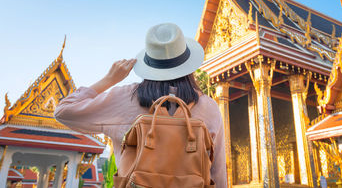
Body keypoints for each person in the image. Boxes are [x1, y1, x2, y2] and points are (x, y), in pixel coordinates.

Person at [54, 23, 227, 187]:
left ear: (149, 63)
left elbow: (63, 111)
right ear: (187, 65)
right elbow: (218, 174)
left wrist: (109, 80)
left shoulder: (125, 98)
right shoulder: (209, 107)